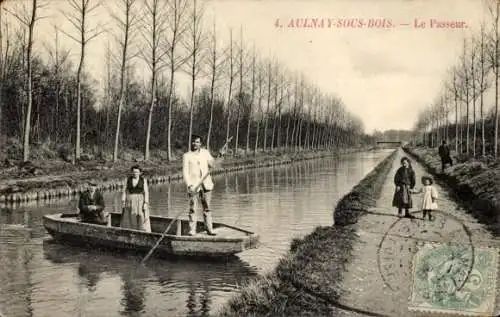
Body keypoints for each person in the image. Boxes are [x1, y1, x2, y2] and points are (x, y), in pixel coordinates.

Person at [183, 134, 218, 236]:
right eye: (193, 142)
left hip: (206, 184)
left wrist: (220, 156)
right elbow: (185, 172)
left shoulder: (205, 153)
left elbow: (213, 165)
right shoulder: (187, 155)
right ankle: (192, 230)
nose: (195, 144)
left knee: (207, 208)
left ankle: (209, 229)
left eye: (197, 142)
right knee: (193, 208)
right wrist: (189, 185)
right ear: (191, 143)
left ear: (200, 144)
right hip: (194, 186)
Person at [121, 165, 151, 232]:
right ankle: (130, 230)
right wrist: (123, 201)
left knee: (141, 216)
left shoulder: (143, 180)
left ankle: (142, 230)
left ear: (140, 173)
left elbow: (146, 192)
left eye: (137, 172)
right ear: (132, 172)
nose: (135, 174)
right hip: (129, 201)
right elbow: (124, 191)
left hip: (140, 201)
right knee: (130, 216)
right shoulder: (127, 180)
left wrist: (145, 203)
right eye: (134, 172)